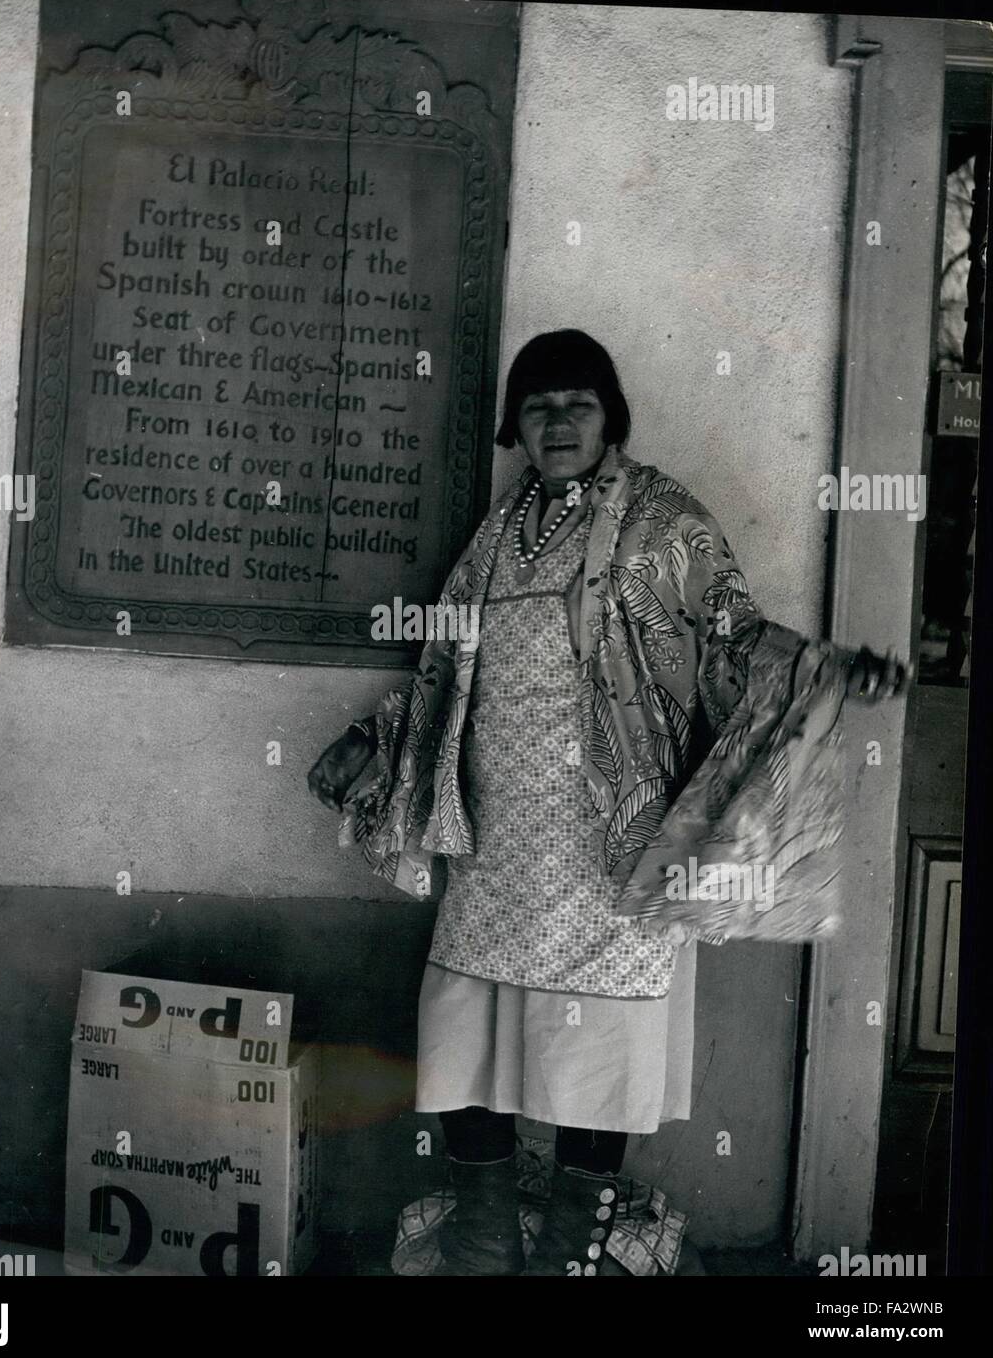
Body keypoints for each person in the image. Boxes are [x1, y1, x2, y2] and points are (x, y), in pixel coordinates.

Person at [308, 329, 907, 1276]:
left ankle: (564, 1251)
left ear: (609, 417)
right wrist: (374, 741)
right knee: (466, 1025)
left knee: (602, 1050)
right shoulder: (499, 533)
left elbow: (729, 636)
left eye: (577, 404)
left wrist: (822, 670)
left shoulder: (664, 521)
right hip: (496, 840)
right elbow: (447, 668)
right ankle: (482, 1234)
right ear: (516, 422)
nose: (557, 421)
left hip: (613, 840)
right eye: (538, 405)